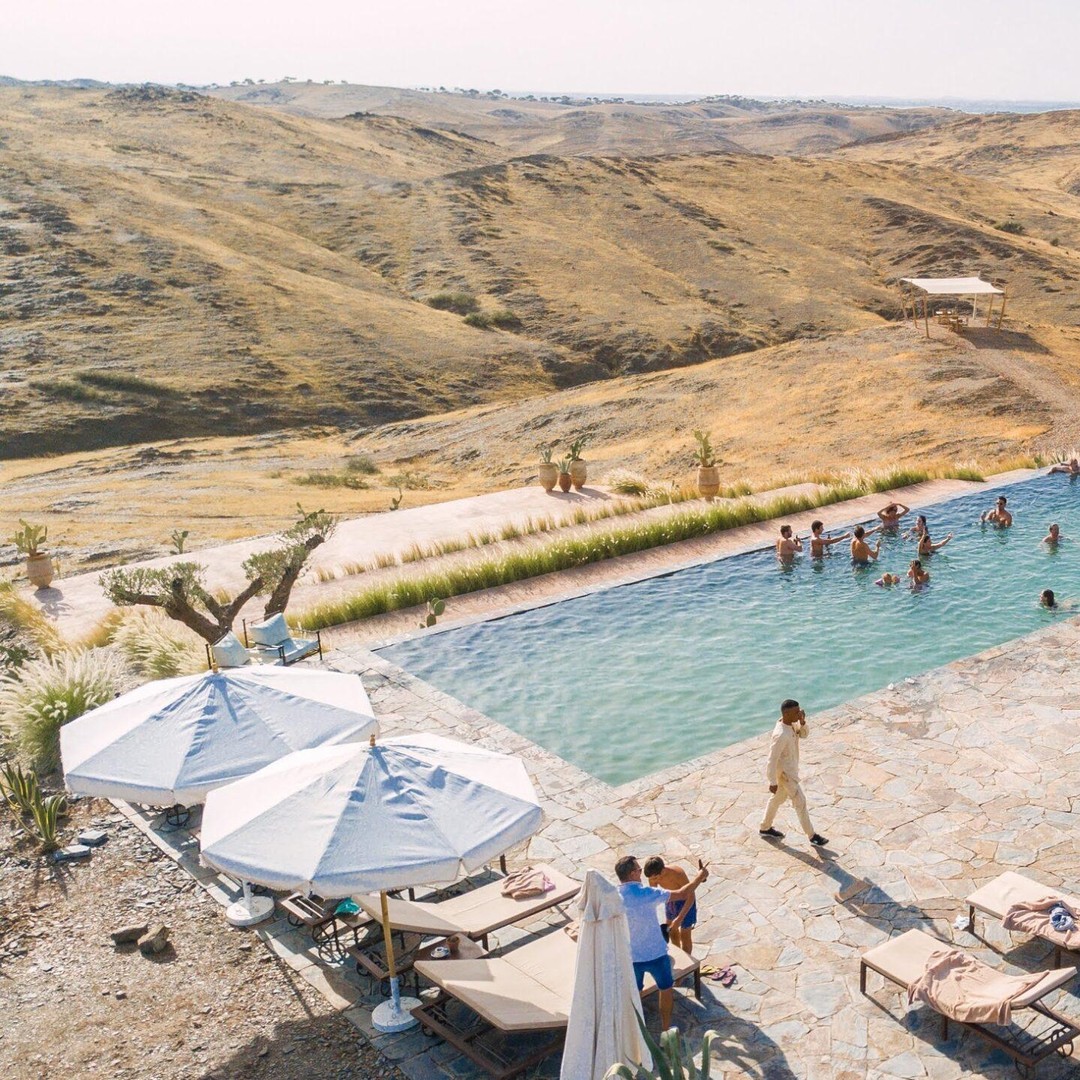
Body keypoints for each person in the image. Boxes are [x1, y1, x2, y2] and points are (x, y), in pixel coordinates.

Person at [615, 854, 709, 1031]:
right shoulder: (648, 893)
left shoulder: (612, 897)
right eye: (639, 870)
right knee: (665, 989)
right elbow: (682, 893)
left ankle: (634, 1030)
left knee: (635, 992)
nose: (641, 873)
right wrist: (699, 876)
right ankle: (666, 1030)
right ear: (633, 873)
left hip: (631, 956)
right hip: (656, 954)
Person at [759, 699, 828, 848]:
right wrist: (772, 782)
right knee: (800, 803)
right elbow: (772, 759)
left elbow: (804, 735)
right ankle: (812, 836)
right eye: (796, 711)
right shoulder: (780, 735)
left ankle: (765, 827)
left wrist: (802, 722)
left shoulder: (792, 724)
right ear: (787, 713)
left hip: (790, 772)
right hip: (786, 776)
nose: (800, 712)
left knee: (776, 800)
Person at [643, 856, 698, 956]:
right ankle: (679, 954)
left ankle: (688, 962)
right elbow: (654, 896)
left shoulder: (677, 873)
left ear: (663, 870)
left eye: (655, 878)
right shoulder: (652, 877)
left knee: (685, 934)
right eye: (651, 879)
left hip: (686, 902)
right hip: (671, 900)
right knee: (671, 930)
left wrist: (679, 918)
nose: (654, 881)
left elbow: (691, 895)